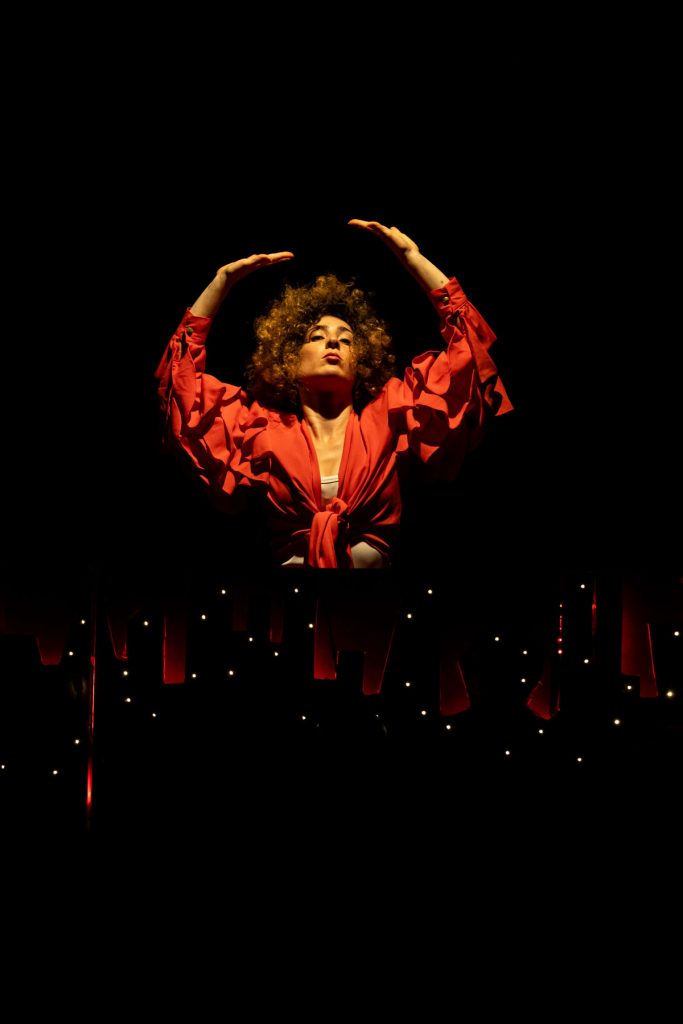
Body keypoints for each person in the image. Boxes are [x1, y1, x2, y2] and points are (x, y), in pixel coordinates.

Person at [154, 219, 513, 569]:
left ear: (362, 361)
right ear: (288, 358)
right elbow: (180, 387)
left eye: (347, 339)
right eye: (316, 336)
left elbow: (470, 353)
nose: (333, 342)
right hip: (293, 601)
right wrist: (221, 283)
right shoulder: (261, 429)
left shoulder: (390, 415)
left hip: (374, 600)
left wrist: (413, 258)